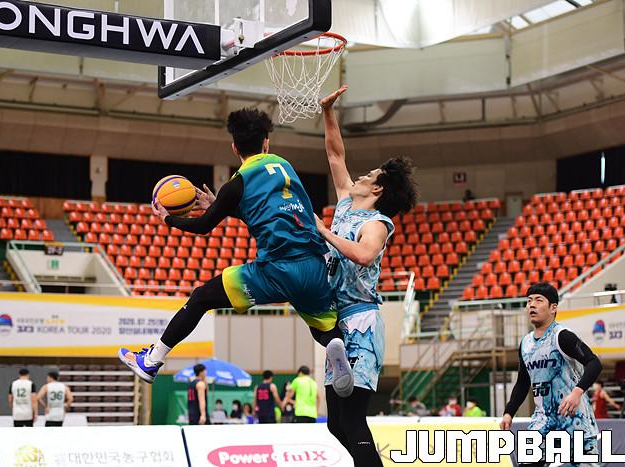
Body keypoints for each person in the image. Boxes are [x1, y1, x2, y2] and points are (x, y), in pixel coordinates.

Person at [119, 108, 351, 398]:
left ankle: (152, 360)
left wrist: (169, 219)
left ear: (234, 147)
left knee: (201, 297)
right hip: (314, 265)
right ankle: (335, 346)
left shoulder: (236, 184)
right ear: (266, 142)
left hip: (275, 270)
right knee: (322, 323)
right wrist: (222, 205)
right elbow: (273, 210)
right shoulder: (285, 166)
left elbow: (204, 226)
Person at [315, 85, 418, 467]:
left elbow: (363, 254)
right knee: (335, 424)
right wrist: (328, 112)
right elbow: (335, 154)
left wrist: (323, 231)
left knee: (353, 419)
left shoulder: (376, 223)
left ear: (377, 188)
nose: (359, 175)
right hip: (337, 322)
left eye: (369, 174)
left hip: (360, 320)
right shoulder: (346, 203)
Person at [500, 282, 602, 467]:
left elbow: (594, 363)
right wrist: (509, 412)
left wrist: (577, 392)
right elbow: (522, 383)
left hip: (575, 422)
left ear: (553, 308)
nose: (532, 305)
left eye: (538, 300)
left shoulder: (562, 336)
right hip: (543, 422)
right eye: (529, 301)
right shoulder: (526, 343)